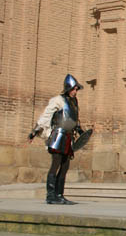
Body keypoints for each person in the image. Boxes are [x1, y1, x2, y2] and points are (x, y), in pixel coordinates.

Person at [28, 74, 87, 205]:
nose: (75, 92)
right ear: (68, 88)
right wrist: (35, 131)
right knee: (56, 163)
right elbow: (46, 115)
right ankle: (50, 195)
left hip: (69, 136)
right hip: (57, 136)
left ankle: (59, 195)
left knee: (65, 166)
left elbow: (73, 119)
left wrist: (79, 130)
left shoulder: (74, 102)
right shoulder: (58, 100)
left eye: (77, 89)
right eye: (73, 89)